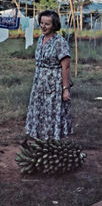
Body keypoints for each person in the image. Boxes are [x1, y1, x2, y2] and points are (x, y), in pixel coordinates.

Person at [25, 10, 72, 140]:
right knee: (40, 110)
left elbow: (66, 67)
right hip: (40, 82)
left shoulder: (59, 42)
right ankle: (41, 140)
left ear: (55, 25)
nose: (43, 26)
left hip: (54, 84)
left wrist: (65, 89)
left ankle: (53, 142)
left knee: (52, 112)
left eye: (47, 24)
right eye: (41, 23)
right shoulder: (41, 39)